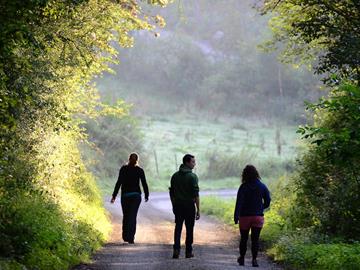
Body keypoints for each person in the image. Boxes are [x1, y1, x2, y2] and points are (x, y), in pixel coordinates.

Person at [234, 165, 271, 267]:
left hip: (244, 217)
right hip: (257, 217)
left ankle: (242, 258)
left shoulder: (243, 187)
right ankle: (254, 260)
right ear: (256, 174)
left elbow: (239, 203)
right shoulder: (262, 186)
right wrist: (260, 207)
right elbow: (268, 201)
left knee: (244, 238)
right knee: (255, 239)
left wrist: (236, 216)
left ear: (244, 175)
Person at [111, 153, 149, 244]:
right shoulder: (140, 170)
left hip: (125, 196)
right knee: (133, 216)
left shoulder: (123, 169)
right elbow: (144, 183)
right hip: (136, 196)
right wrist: (147, 195)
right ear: (137, 160)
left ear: (129, 159)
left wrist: (114, 196)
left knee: (126, 216)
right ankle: (131, 237)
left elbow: (119, 182)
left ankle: (125, 237)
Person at [169, 154, 200, 259]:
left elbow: (171, 193)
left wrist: (173, 205)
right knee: (189, 228)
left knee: (178, 228)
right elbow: (196, 194)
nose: (194, 164)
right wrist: (198, 210)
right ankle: (188, 251)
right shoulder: (192, 177)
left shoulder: (175, 176)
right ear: (187, 162)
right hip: (189, 206)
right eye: (193, 162)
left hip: (178, 205)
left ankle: (176, 250)